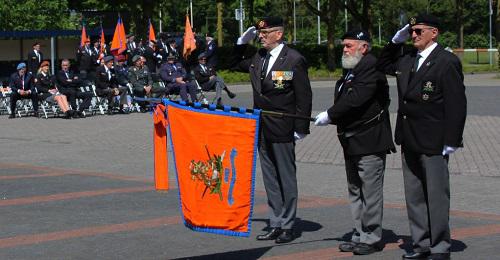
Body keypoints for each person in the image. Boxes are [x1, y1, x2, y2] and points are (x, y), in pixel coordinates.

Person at [376, 14, 467, 260]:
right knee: (414, 196)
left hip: (435, 140)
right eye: (411, 31)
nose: (413, 35)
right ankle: (421, 244)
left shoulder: (446, 61)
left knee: (436, 197)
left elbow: (457, 104)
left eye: (418, 31)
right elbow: (382, 64)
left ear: (433, 32)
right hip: (409, 138)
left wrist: (452, 140)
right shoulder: (407, 60)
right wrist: (396, 41)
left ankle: (439, 247)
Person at [314, 30, 395, 255]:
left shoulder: (371, 67)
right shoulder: (352, 68)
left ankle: (371, 237)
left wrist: (330, 114)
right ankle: (359, 233)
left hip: (369, 140)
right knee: (355, 190)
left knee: (370, 191)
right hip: (352, 140)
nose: (345, 49)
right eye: (344, 45)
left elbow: (356, 98)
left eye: (349, 45)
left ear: (364, 47)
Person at [233, 17, 312, 243]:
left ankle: (288, 224)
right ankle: (275, 222)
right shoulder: (258, 57)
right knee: (270, 178)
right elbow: (233, 63)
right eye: (260, 33)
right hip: (261, 127)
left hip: (283, 126)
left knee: (286, 177)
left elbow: (304, 96)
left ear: (279, 34)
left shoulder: (293, 59)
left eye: (266, 32)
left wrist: (301, 127)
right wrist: (241, 42)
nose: (261, 36)